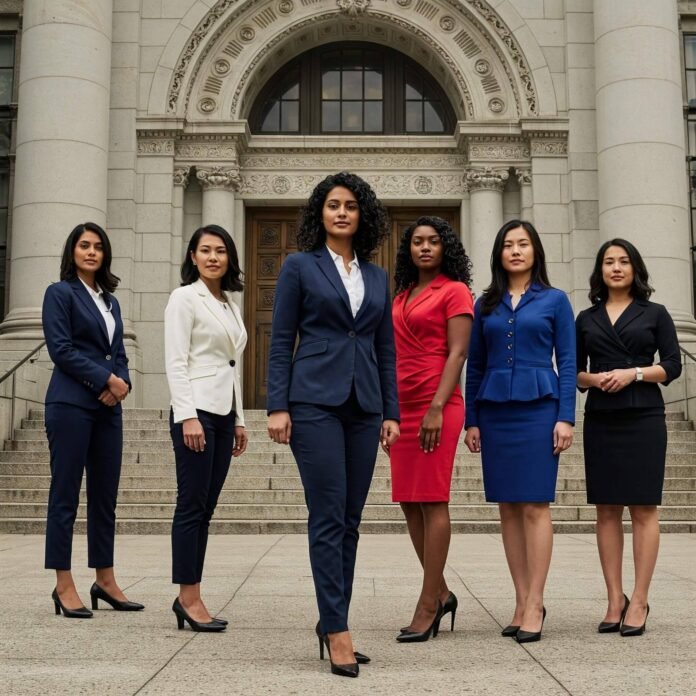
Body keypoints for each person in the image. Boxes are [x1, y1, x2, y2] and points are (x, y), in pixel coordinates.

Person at [267, 172, 400, 678]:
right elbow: (281, 340)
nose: (341, 212)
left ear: (362, 215)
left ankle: (330, 619)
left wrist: (391, 412)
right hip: (314, 403)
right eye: (332, 205)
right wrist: (277, 405)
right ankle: (339, 629)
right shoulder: (298, 267)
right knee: (327, 514)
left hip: (364, 406)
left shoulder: (378, 276)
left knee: (349, 519)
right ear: (319, 214)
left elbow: (385, 350)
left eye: (350, 206)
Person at [464, 219, 575, 643]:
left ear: (535, 251)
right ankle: (519, 598)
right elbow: (475, 363)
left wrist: (566, 416)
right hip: (494, 412)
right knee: (507, 508)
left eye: (523, 244)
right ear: (498, 254)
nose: (515, 251)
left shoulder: (556, 301)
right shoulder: (485, 304)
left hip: (540, 411)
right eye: (508, 245)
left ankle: (536, 602)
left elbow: (567, 362)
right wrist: (472, 419)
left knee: (534, 506)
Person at [576, 239, 681, 637]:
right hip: (602, 417)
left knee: (643, 508)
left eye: (623, 262)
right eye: (608, 262)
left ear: (635, 268)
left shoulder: (655, 313)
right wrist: (596, 379)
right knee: (606, 510)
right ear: (600, 270)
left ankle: (639, 599)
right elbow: (575, 372)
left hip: (643, 415)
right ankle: (613, 598)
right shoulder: (586, 317)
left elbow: (671, 365)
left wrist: (634, 373)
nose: (616, 268)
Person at [42, 222, 143, 618]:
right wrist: (106, 379)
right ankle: (62, 583)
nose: (91, 252)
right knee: (64, 496)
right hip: (69, 404)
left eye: (98, 247)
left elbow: (118, 352)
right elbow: (61, 349)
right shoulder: (59, 293)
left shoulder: (110, 301)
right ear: (73, 251)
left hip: (107, 410)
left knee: (105, 498)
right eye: (84, 246)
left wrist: (123, 383)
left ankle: (105, 579)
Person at [389, 216, 474, 643]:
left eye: (433, 241)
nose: (425, 247)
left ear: (446, 248)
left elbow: (458, 353)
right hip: (400, 407)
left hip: (437, 402)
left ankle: (427, 604)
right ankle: (440, 591)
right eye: (417, 242)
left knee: (433, 499)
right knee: (407, 500)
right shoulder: (402, 294)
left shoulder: (455, 290)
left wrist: (437, 407)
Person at [164, 224, 248, 632]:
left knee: (206, 509)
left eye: (220, 251)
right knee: (191, 505)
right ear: (192, 256)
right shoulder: (185, 297)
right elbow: (176, 361)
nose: (213, 257)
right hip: (195, 411)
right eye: (205, 250)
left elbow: (232, 365)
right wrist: (187, 416)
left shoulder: (230, 304)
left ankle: (192, 593)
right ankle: (187, 596)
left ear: (229, 258)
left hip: (222, 413)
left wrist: (239, 419)